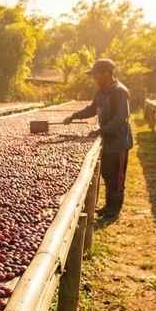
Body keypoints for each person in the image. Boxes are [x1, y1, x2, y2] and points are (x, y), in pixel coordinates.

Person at [64, 58, 132, 220]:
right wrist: (74, 116)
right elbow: (92, 109)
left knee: (117, 177)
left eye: (96, 75)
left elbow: (121, 118)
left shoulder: (120, 92)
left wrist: (101, 130)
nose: (94, 78)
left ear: (106, 74)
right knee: (108, 175)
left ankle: (114, 211)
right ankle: (108, 207)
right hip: (107, 140)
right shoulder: (101, 91)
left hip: (119, 142)